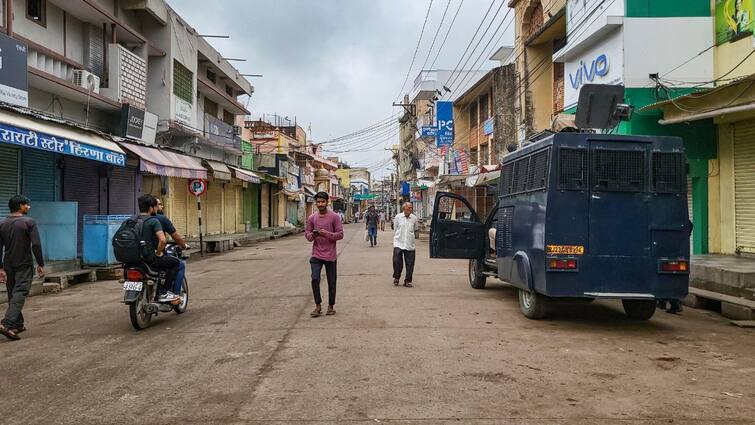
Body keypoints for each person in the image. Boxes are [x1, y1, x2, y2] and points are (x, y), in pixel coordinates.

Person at [0, 196, 45, 340]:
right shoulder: (29, 222)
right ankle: (6, 324)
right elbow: (36, 244)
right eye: (27, 205)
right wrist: (40, 263)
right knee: (20, 291)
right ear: (20, 206)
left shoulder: (2, 223)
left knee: (13, 292)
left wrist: (0, 267)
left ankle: (17, 324)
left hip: (8, 263)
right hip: (24, 263)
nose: (29, 207)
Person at [305, 192, 344, 317]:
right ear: (316, 203)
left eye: (323, 202)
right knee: (315, 279)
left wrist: (326, 233)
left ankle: (331, 306)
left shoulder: (334, 217)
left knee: (332, 282)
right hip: (316, 254)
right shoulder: (312, 218)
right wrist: (314, 235)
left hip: (330, 255)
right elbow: (308, 236)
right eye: (318, 202)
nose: (320, 204)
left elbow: (340, 234)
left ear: (327, 202)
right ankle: (318, 305)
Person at [136, 195, 181, 303]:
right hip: (148, 257)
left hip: (134, 258)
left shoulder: (131, 220)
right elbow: (163, 240)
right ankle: (164, 292)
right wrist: (159, 252)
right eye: (156, 206)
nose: (157, 208)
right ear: (151, 208)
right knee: (175, 263)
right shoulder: (153, 221)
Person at [154, 197, 190, 300]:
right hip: (154, 254)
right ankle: (173, 294)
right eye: (159, 204)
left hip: (139, 255)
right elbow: (172, 238)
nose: (162, 206)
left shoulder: (135, 219)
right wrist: (184, 246)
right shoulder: (160, 219)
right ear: (153, 206)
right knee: (179, 264)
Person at [392, 202, 419, 288]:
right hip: (398, 242)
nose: (411, 209)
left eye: (411, 208)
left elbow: (415, 229)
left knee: (410, 263)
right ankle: (396, 277)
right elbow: (395, 229)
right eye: (409, 208)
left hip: (410, 244)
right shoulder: (398, 217)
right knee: (396, 261)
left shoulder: (414, 218)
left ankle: (407, 281)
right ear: (404, 209)